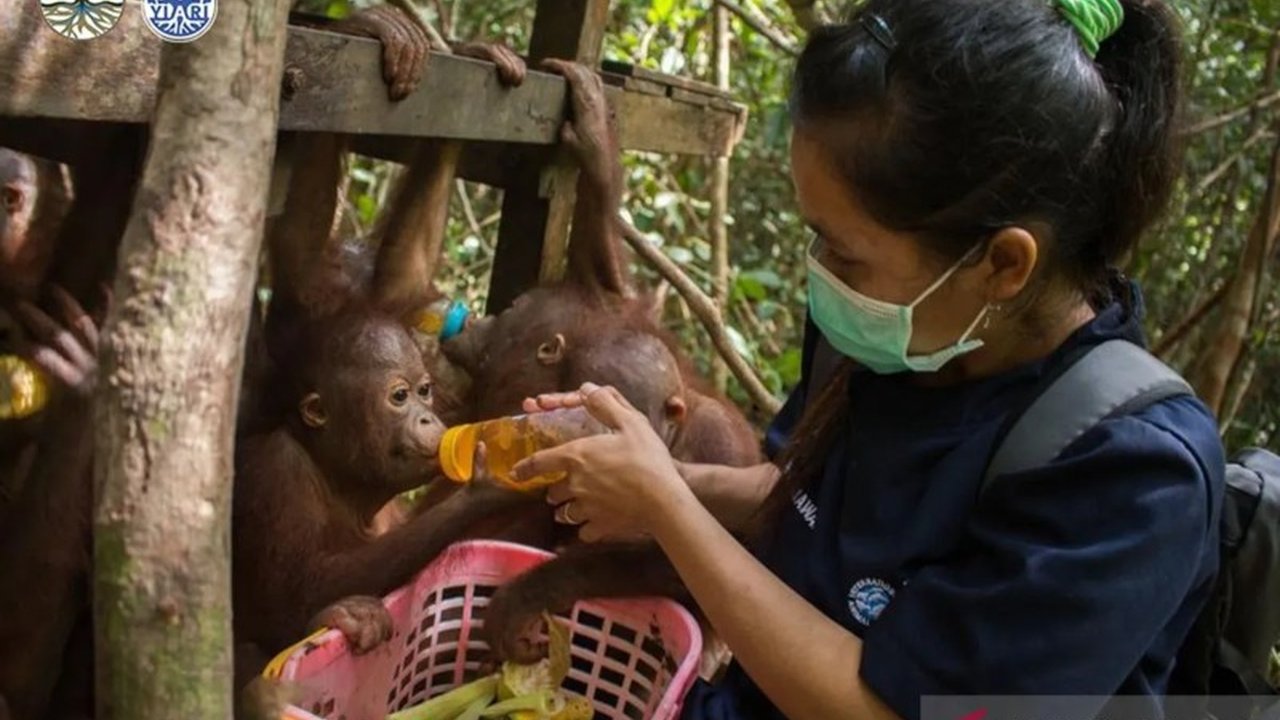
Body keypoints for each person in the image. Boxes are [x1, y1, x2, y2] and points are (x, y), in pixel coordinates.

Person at [511, 0, 1227, 719]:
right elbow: (807, 505)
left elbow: (885, 709)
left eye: (846, 254)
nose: (821, 274)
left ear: (1003, 264)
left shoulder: (1130, 475)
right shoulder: (900, 331)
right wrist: (655, 474)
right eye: (816, 236)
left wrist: (665, 507)